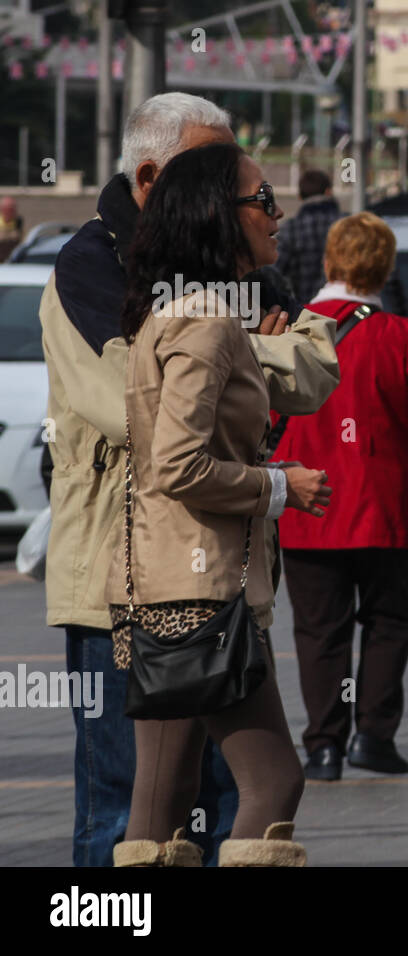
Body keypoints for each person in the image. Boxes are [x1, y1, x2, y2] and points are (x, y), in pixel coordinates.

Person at [38, 91, 339, 867]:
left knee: (166, 807)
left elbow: (312, 370)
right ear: (160, 182)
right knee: (169, 798)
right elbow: (148, 425)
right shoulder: (90, 269)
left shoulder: (211, 292)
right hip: (140, 580)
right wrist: (275, 476)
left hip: (176, 577)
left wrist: (236, 356)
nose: (270, 209)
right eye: (252, 193)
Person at [273, 212, 408, 781]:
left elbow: (263, 418)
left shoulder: (291, 331)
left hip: (308, 505)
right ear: (384, 267)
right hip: (384, 506)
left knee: (319, 629)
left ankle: (323, 746)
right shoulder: (402, 336)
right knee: (388, 620)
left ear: (328, 261)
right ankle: (374, 736)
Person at [274, 168, 340, 302]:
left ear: (300, 196)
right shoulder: (345, 224)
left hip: (306, 311)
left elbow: (275, 272)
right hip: (345, 310)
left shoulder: (290, 228)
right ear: (329, 192)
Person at [0, 196, 23, 260]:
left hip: (11, 258)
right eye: (9, 209)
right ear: (2, 209)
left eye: (13, 209)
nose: (12, 212)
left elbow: (18, 237)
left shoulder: (18, 221)